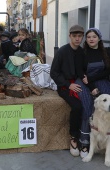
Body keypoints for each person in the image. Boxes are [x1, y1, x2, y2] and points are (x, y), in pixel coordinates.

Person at [50, 25, 85, 157]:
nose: (77, 38)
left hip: (79, 84)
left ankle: (86, 139)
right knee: (77, 106)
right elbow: (54, 72)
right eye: (74, 36)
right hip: (65, 86)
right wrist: (67, 84)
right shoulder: (62, 52)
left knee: (89, 103)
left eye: (80, 36)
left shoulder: (82, 52)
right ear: (69, 36)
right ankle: (74, 138)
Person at [75, 28, 110, 158]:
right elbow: (80, 71)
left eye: (94, 36)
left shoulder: (106, 52)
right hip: (83, 81)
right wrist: (91, 87)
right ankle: (84, 142)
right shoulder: (81, 52)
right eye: (88, 37)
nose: (91, 39)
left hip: (99, 79)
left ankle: (106, 138)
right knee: (88, 105)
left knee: (107, 103)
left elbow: (107, 71)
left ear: (99, 38)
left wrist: (93, 80)